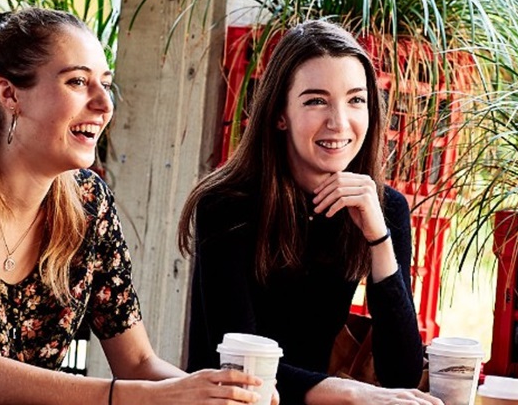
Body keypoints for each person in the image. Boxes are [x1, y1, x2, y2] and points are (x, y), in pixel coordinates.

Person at [0, 8, 270, 404]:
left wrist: (218, 394)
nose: (104, 104)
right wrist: (146, 397)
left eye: (106, 84)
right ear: (9, 94)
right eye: (77, 81)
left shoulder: (88, 204)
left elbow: (139, 364)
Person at [179, 20, 439, 405]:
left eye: (355, 100)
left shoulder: (384, 208)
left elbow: (400, 371)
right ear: (280, 114)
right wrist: (350, 393)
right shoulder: (226, 204)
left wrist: (378, 239)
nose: (339, 122)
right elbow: (240, 368)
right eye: (316, 100)